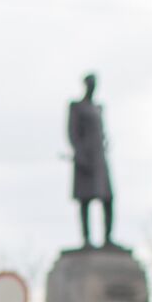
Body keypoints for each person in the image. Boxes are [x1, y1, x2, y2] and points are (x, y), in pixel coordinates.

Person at [67, 73, 114, 248]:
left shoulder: (99, 107)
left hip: (100, 156)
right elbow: (72, 132)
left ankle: (107, 238)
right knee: (84, 199)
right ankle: (86, 239)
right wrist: (80, 153)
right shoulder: (77, 107)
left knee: (108, 198)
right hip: (85, 157)